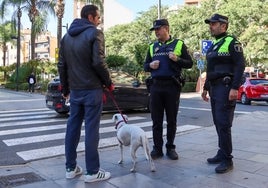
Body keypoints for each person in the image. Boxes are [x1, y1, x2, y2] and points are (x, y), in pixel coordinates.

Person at [57, 4, 113, 183]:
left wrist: (66, 89)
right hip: (92, 90)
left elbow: (62, 66)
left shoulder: (66, 38)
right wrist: (108, 82)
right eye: (98, 18)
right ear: (90, 17)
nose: (99, 21)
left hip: (75, 91)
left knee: (72, 127)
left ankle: (70, 168)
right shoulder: (95, 33)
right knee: (91, 129)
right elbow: (98, 62)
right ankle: (92, 172)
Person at [201, 13, 245, 173]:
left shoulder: (232, 42)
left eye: (213, 24)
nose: (210, 26)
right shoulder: (214, 45)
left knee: (224, 123)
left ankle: (227, 159)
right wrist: (205, 88)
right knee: (218, 122)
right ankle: (221, 152)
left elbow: (240, 65)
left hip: (226, 88)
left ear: (223, 26)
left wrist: (235, 87)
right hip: (214, 88)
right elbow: (210, 69)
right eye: (210, 24)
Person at [144, 19, 193, 160]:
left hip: (172, 85)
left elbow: (189, 63)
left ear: (166, 28)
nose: (156, 32)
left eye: (158, 29)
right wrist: (150, 65)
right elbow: (145, 65)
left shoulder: (178, 44)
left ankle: (170, 148)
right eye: (155, 30)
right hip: (156, 86)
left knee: (171, 119)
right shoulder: (152, 47)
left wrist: (177, 59)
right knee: (156, 120)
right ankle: (157, 149)